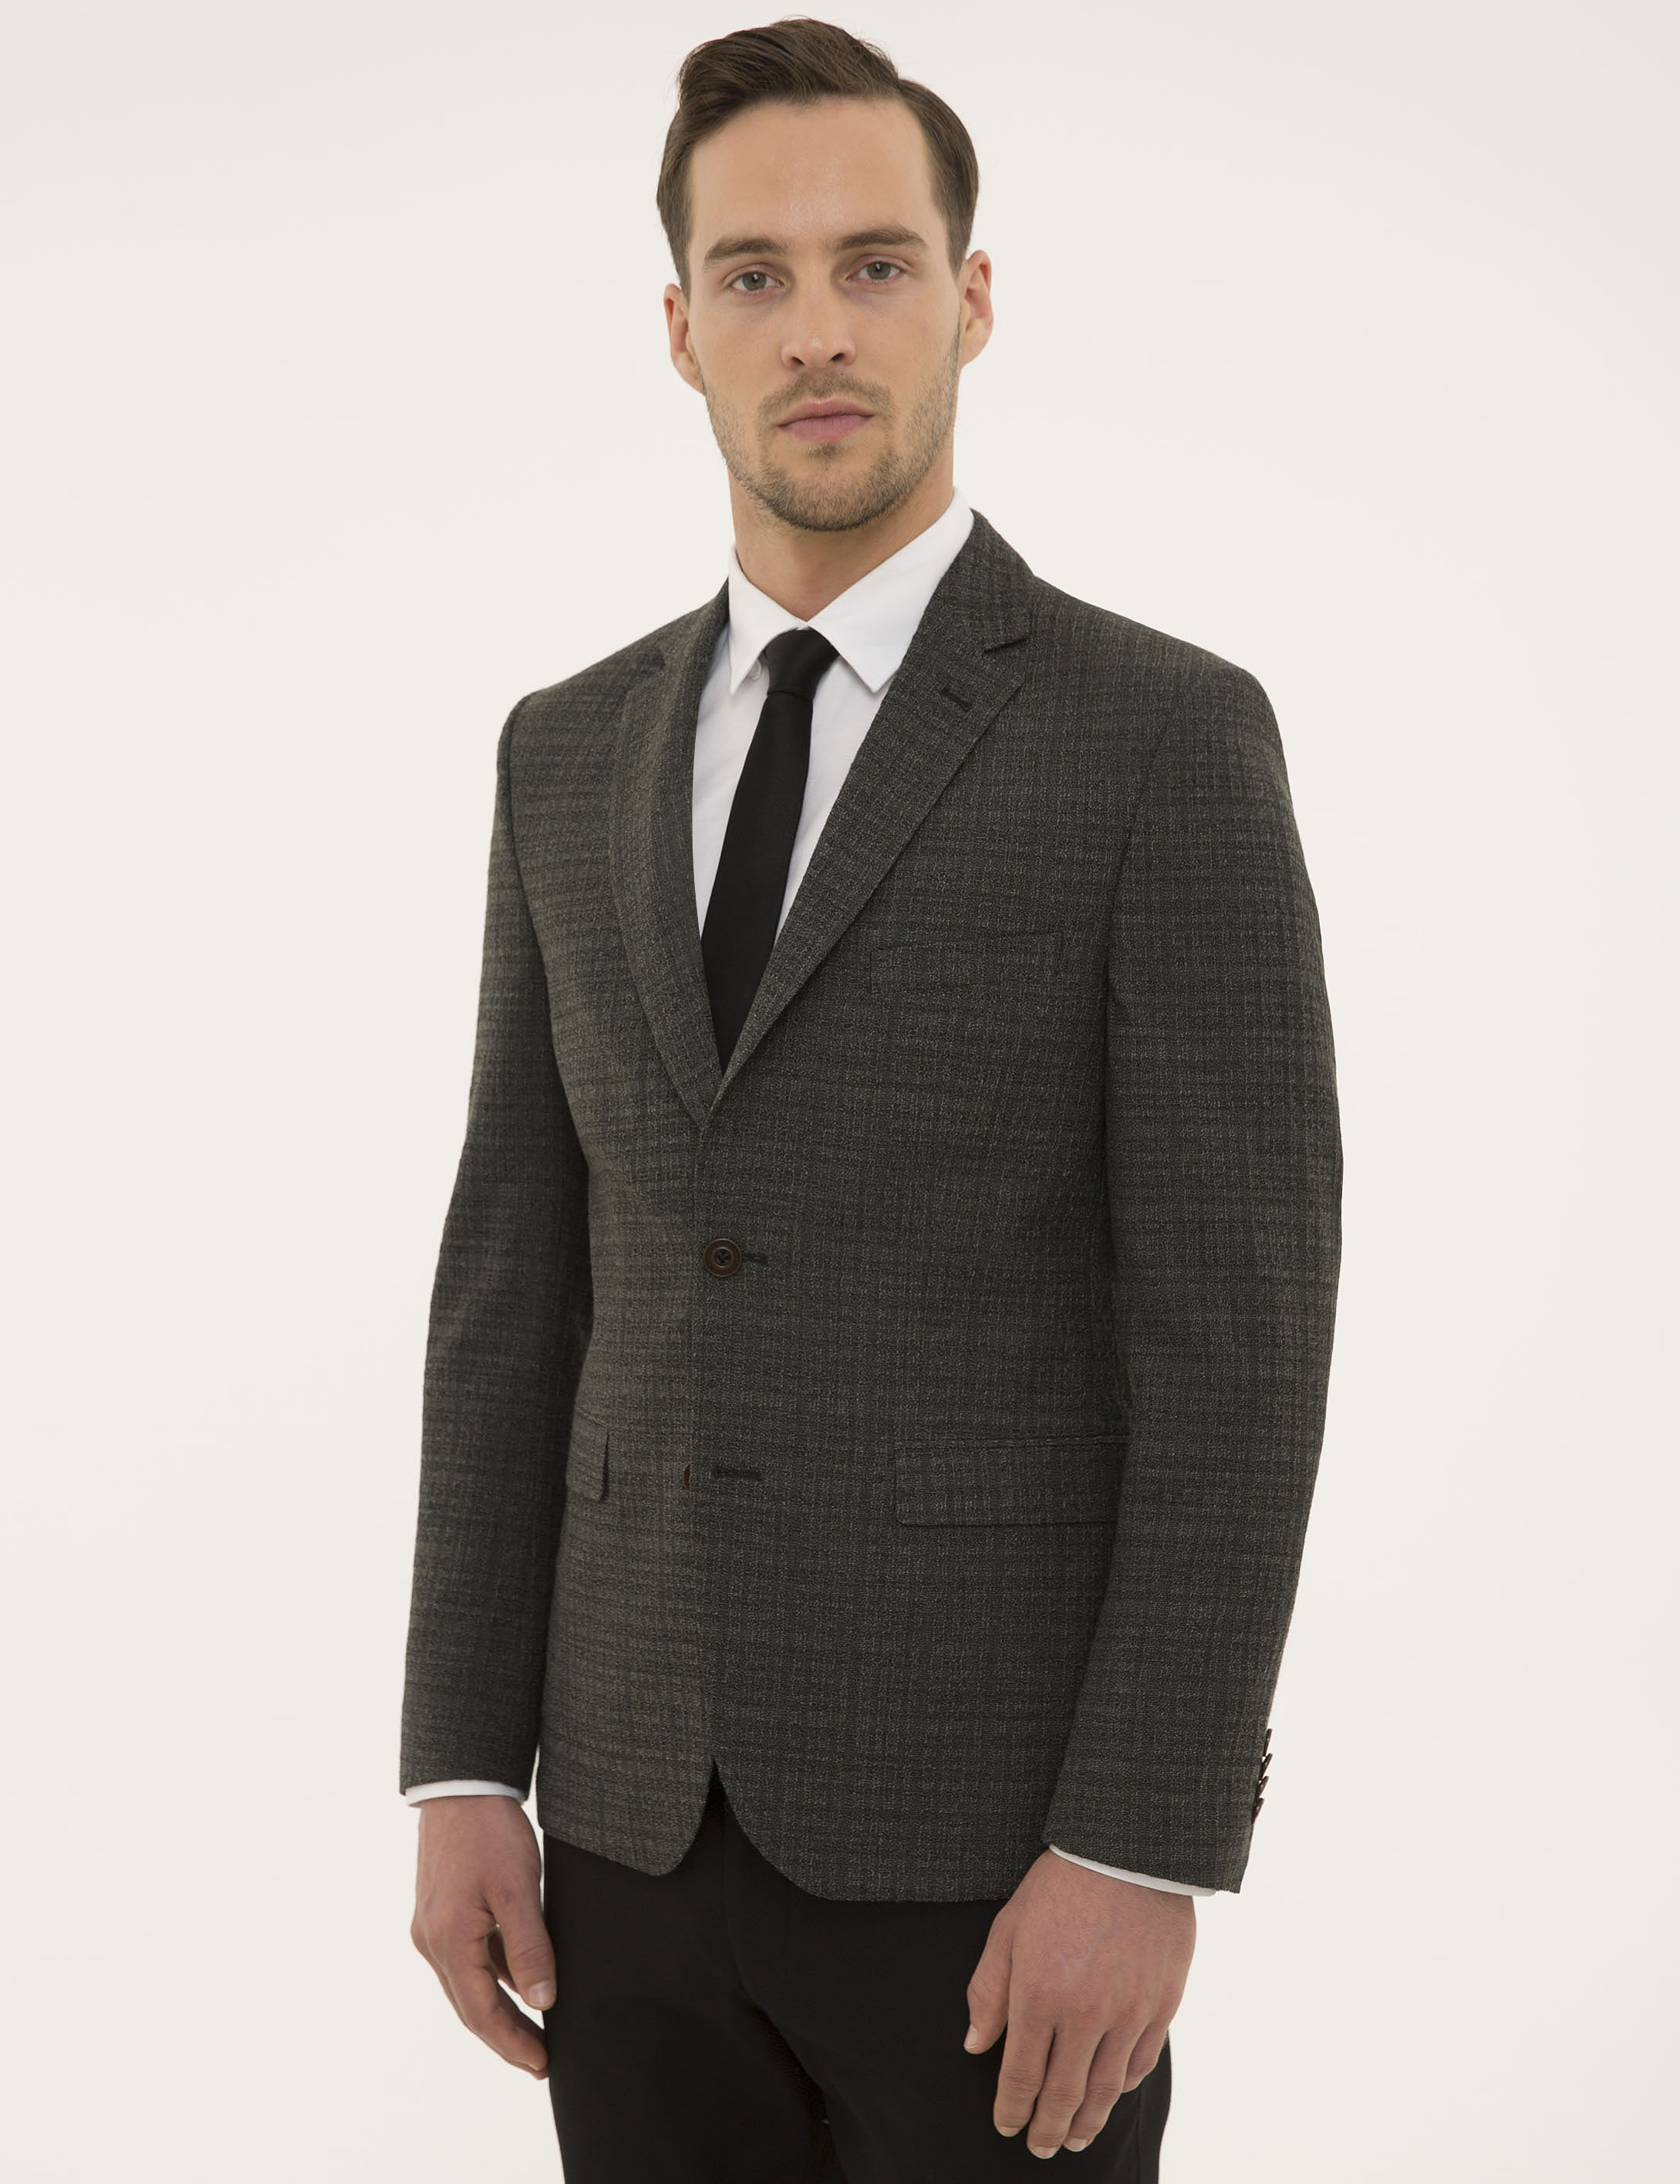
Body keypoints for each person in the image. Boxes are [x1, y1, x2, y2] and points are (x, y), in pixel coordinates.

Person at [400, 19, 1341, 2179]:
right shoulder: (563, 749)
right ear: (680, 330)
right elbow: (511, 1283)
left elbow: (1238, 1344)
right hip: (620, 1841)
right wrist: (459, 1761)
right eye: (753, 274)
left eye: (875, 264)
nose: (814, 328)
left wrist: (1142, 1840)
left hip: (997, 1862)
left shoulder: (1160, 742)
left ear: (970, 299)